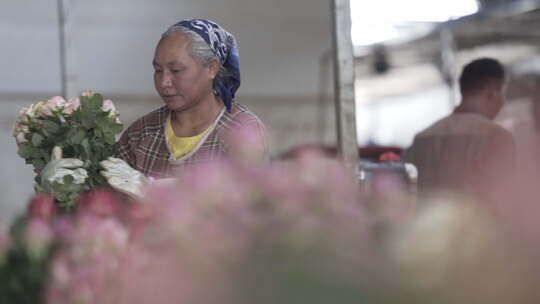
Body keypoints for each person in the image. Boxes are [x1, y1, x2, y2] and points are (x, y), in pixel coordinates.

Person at [43, 19, 268, 198]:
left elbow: (250, 212)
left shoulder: (242, 131)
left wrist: (155, 192)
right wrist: (68, 187)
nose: (164, 82)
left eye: (176, 70)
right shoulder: (142, 133)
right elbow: (103, 205)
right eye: (158, 70)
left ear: (211, 68)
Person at [404, 58, 515, 204]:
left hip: (428, 226)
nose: (502, 102)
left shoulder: (421, 138)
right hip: (477, 226)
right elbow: (504, 200)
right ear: (492, 94)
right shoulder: (497, 137)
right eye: (502, 94)